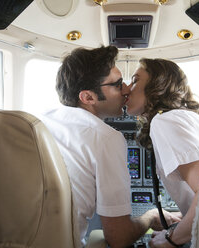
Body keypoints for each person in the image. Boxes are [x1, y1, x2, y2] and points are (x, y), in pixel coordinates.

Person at [40, 46, 177, 248]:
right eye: (117, 84)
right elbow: (119, 238)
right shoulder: (105, 137)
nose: (126, 90)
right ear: (88, 97)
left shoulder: (42, 120)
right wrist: (150, 216)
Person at [124, 58, 199, 247]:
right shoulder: (192, 118)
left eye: (135, 80)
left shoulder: (166, 121)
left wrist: (171, 239)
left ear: (158, 84)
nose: (127, 88)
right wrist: (183, 216)